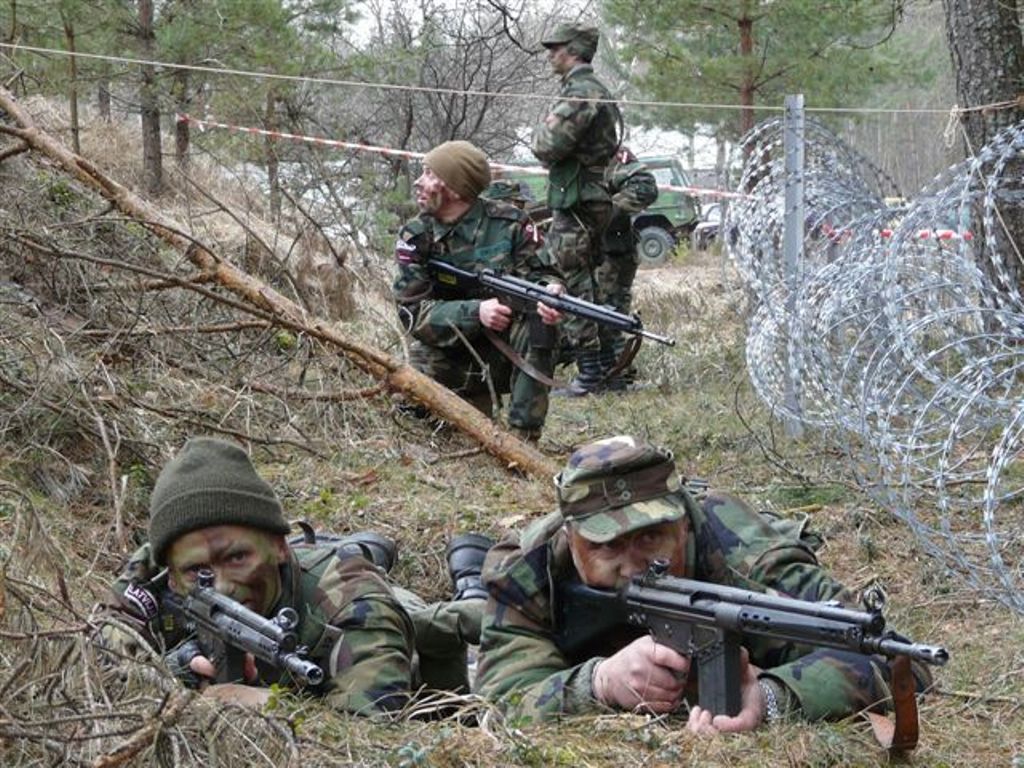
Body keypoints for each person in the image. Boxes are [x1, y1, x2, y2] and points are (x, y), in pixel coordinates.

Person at [474, 435, 934, 733]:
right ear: (571, 541)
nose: (635, 566)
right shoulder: (529, 571)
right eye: (608, 546)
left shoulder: (742, 555)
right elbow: (500, 699)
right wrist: (598, 683)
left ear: (683, 526)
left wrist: (773, 699)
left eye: (652, 538)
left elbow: (896, 660)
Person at [95, 436, 491, 713]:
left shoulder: (355, 602)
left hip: (349, 605)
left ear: (279, 545)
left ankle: (468, 590)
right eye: (198, 571)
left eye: (237, 558)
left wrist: (271, 704)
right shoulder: (157, 567)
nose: (222, 586)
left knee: (419, 620)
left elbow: (375, 731)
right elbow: (97, 652)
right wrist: (171, 669)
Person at [393, 140, 564, 442]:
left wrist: (550, 292)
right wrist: (476, 312)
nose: (419, 182)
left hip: (507, 350)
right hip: (451, 351)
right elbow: (411, 313)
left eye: (430, 174)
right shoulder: (416, 235)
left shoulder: (510, 223)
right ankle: (473, 401)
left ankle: (523, 438)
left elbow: (543, 274)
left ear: (456, 189)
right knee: (407, 394)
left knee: (538, 327)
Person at [532, 22, 622, 396]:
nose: (551, 55)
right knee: (591, 283)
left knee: (571, 282)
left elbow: (546, 145)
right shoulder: (587, 89)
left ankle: (590, 374)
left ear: (573, 51)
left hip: (581, 200)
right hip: (588, 197)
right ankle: (604, 369)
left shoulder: (582, 91)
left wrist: (541, 132)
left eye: (556, 48)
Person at [594, 147, 658, 391]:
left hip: (610, 253)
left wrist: (605, 214)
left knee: (607, 312)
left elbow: (646, 186)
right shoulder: (574, 157)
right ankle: (614, 372)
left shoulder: (608, 152)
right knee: (608, 312)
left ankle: (613, 375)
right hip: (596, 251)